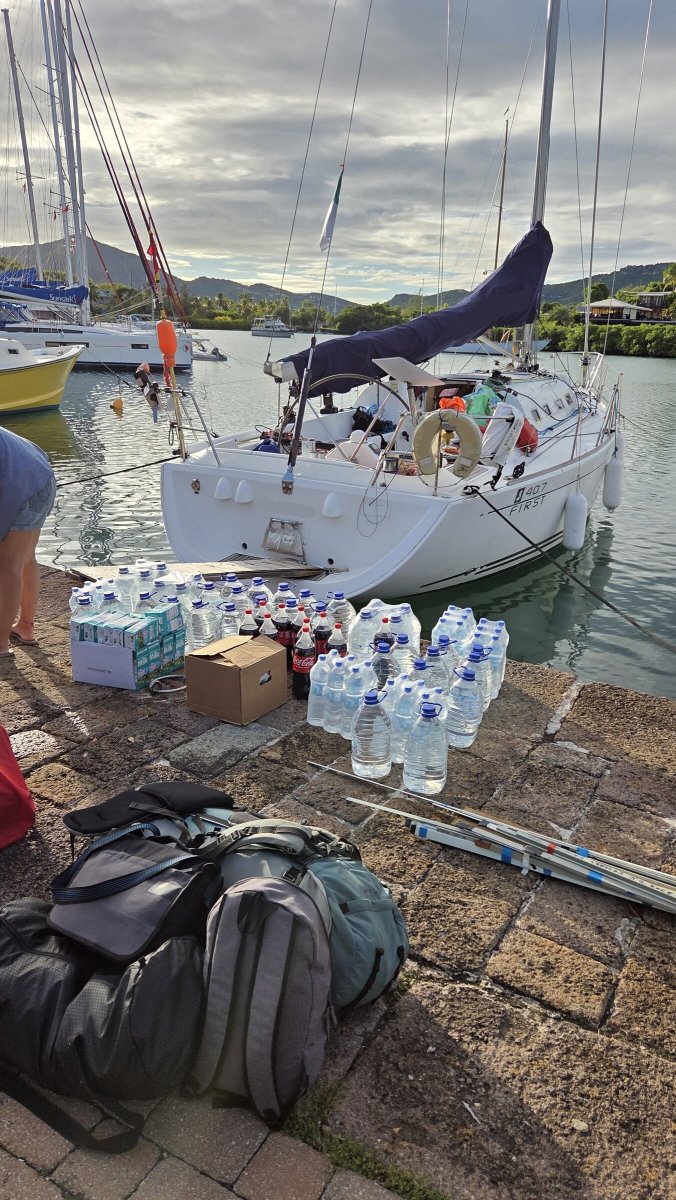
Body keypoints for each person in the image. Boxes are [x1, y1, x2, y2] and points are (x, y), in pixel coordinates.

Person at [0, 427, 57, 657]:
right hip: (42, 478)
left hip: (22, 486)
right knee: (25, 559)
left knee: (8, 566)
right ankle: (25, 626)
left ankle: (0, 644)